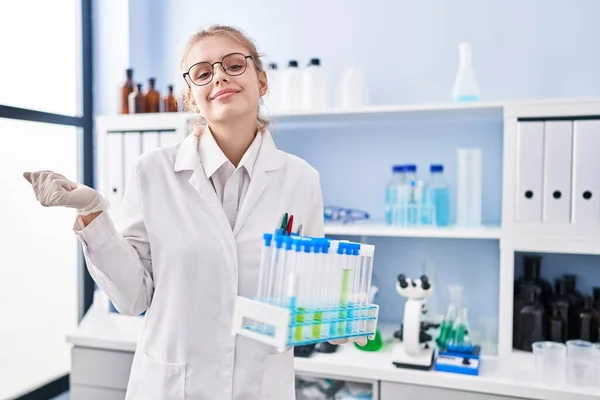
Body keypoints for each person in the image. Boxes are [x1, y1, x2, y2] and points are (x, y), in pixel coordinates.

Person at [23, 25, 365, 400]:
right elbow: (133, 298)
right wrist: (93, 214)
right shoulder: (152, 171)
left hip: (260, 385)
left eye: (234, 65)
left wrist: (343, 316)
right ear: (191, 97)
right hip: (173, 387)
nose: (219, 75)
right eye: (203, 73)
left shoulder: (301, 179)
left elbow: (307, 295)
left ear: (261, 81)